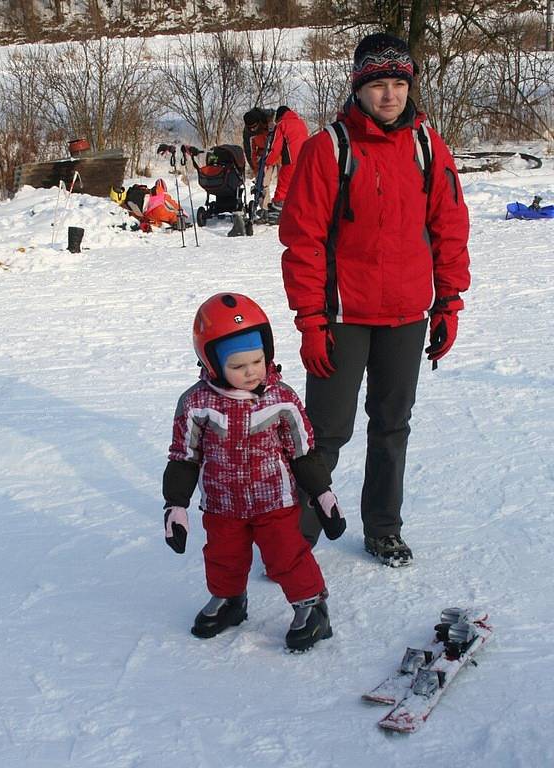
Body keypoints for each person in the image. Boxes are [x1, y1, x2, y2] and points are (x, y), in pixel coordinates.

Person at [279, 33, 470, 566]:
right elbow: (303, 241)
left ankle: (384, 527)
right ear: (359, 89)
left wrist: (448, 303)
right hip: (343, 317)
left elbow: (449, 228)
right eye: (379, 85)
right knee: (326, 433)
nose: (390, 96)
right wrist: (311, 320)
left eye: (399, 84)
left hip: (407, 315)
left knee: (391, 426)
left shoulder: (428, 147)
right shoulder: (328, 149)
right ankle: (297, 534)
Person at [162, 293, 345, 651]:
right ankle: (230, 600)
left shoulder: (281, 399)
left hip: (274, 500)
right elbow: (183, 457)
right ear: (212, 364)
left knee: (286, 554)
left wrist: (322, 493)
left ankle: (311, 606)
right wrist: (175, 505)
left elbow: (302, 451)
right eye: (239, 366)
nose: (251, 372)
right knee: (222, 555)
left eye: (258, 361)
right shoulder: (197, 404)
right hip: (222, 503)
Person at [263, 106, 309, 223]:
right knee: (298, 187)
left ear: (279, 117)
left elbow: (276, 147)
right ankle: (298, 210)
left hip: (290, 161)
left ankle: (278, 210)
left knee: (283, 186)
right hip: (305, 159)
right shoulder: (301, 122)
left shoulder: (282, 124)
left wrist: (267, 161)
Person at [242, 107, 276, 209]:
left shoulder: (267, 116)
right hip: (261, 154)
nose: (253, 129)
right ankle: (264, 208)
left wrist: (271, 123)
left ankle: (279, 204)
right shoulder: (247, 132)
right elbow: (248, 150)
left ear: (259, 122)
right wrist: (254, 167)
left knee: (272, 180)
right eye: (250, 128)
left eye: (255, 127)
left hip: (274, 150)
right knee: (260, 182)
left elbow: (276, 114)